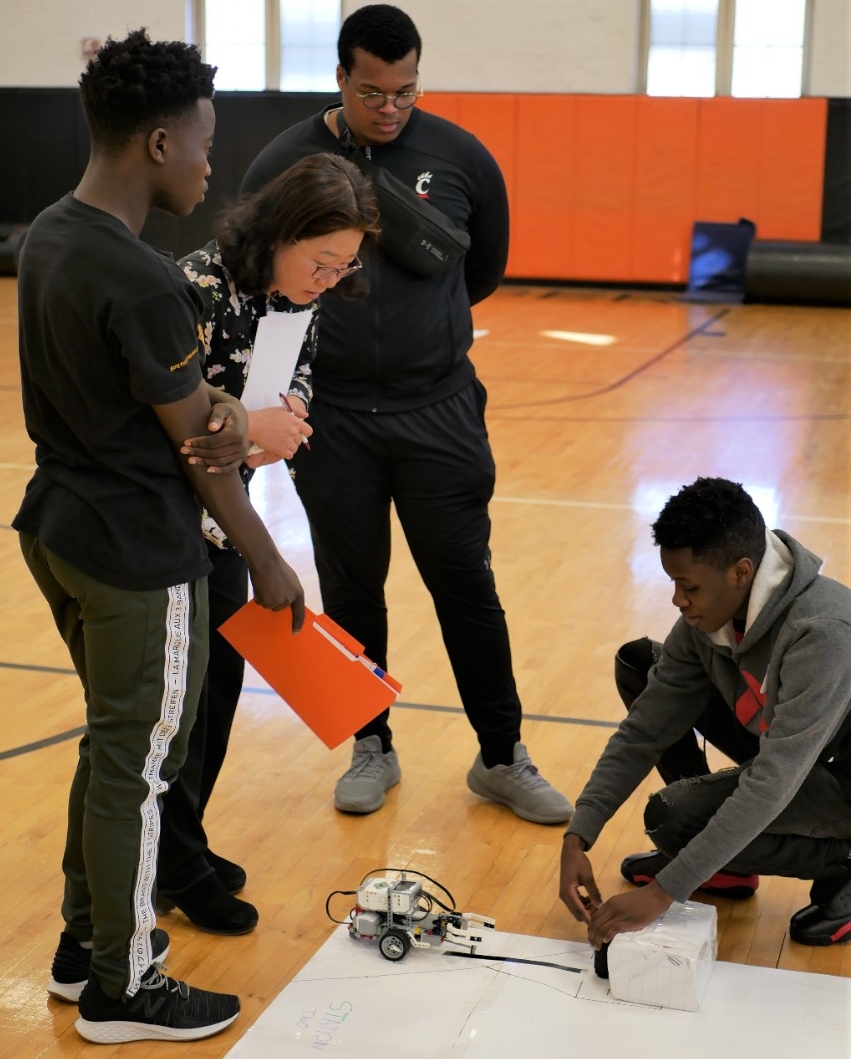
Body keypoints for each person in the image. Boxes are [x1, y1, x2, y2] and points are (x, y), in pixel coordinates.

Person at [13, 30, 305, 1044]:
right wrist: (267, 561)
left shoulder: (49, 233)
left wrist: (208, 402)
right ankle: (121, 986)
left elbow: (156, 400)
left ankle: (81, 943)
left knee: (112, 743)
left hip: (56, 524)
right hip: (135, 547)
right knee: (142, 762)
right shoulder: (140, 278)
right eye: (204, 145)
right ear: (156, 143)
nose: (210, 163)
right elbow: (201, 453)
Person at [239, 3, 573, 824]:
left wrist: (425, 340)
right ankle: (370, 744)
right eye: (372, 92)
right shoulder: (286, 162)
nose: (390, 107)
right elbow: (253, 275)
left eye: (405, 91)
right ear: (341, 79)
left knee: (465, 582)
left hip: (440, 409)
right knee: (352, 586)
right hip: (335, 417)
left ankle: (501, 755)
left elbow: (482, 269)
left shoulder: (460, 155)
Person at [156, 153, 380, 935]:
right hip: (177, 527)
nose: (329, 280)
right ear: (280, 232)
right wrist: (260, 434)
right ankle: (174, 863)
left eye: (344, 266)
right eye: (321, 262)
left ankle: (178, 846)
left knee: (215, 700)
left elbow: (302, 370)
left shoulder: (300, 296)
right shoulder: (197, 288)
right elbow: (184, 434)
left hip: (230, 522)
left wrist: (293, 410)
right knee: (180, 709)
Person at [559, 477, 851, 953]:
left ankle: (843, 862)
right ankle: (721, 858)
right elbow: (645, 729)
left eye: (688, 585)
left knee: (673, 817)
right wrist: (578, 834)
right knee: (641, 664)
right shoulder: (709, 617)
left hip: (839, 779)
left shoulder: (824, 631)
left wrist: (665, 891)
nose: (677, 599)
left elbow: (774, 781)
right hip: (795, 753)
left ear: (740, 572)